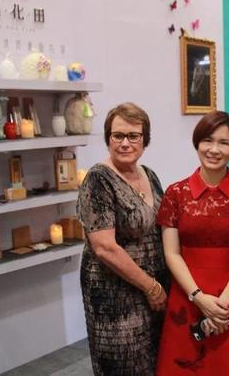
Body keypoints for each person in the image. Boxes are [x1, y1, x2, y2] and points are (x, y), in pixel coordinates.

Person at [155, 111, 229, 375]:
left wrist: (222, 305)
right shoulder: (175, 193)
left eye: (224, 143)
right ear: (197, 143)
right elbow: (172, 253)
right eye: (207, 140)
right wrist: (198, 297)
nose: (214, 150)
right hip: (187, 294)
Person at [76, 102, 168, 376]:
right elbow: (104, 247)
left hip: (153, 289)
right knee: (125, 366)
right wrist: (151, 287)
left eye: (133, 136)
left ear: (145, 140)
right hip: (116, 296)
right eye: (118, 135)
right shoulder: (98, 179)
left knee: (154, 361)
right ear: (108, 138)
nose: (125, 143)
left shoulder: (149, 175)